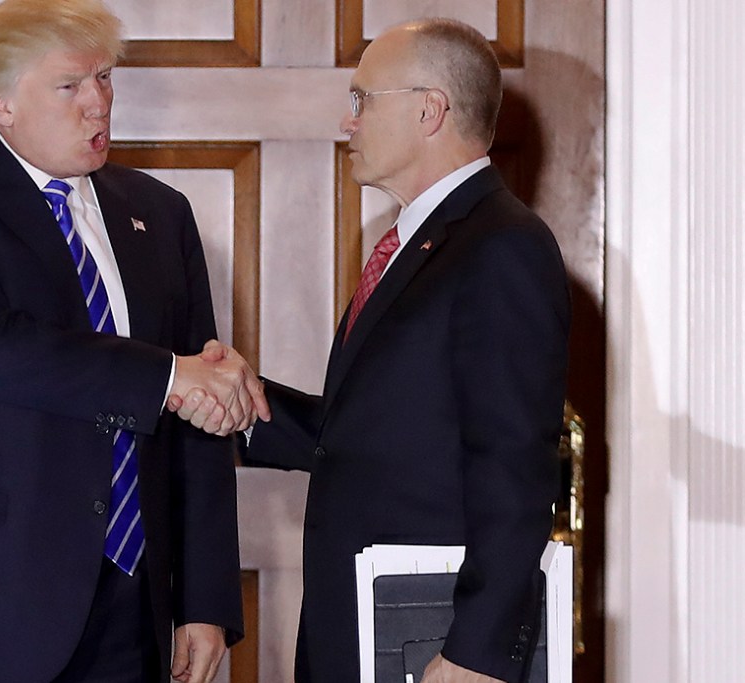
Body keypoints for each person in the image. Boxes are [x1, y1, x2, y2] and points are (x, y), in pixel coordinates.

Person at [0, 1, 268, 682]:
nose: (99, 103)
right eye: (71, 85)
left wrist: (205, 600)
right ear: (0, 102)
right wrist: (170, 377)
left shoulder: (158, 213)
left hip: (129, 612)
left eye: (104, 78)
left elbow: (193, 421)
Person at [171, 17, 570, 683]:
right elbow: (370, 436)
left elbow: (514, 464)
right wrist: (243, 404)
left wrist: (477, 652)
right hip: (360, 625)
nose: (347, 121)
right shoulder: (411, 241)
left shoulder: (503, 245)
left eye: (363, 99)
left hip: (437, 641)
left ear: (429, 109)